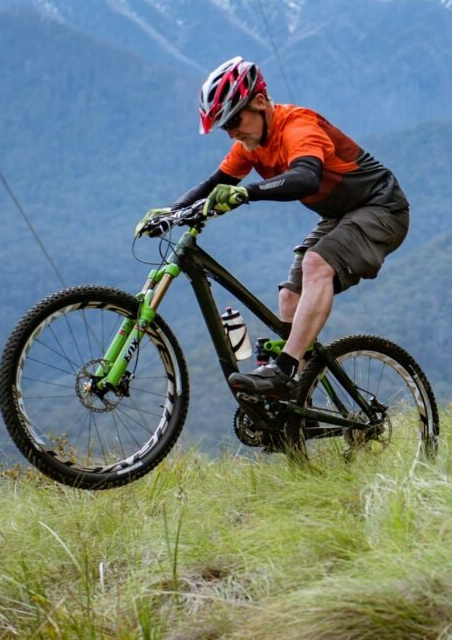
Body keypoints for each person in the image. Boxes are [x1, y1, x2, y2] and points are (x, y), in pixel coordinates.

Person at [137, 57, 410, 396]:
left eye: (234, 120)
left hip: (382, 208)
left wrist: (248, 192)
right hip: (340, 215)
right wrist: (171, 212)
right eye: (224, 127)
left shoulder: (298, 127)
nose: (232, 132)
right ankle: (299, 400)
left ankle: (284, 369)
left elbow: (305, 178)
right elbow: (215, 183)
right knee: (290, 297)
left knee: (317, 264)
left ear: (260, 101)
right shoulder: (250, 146)